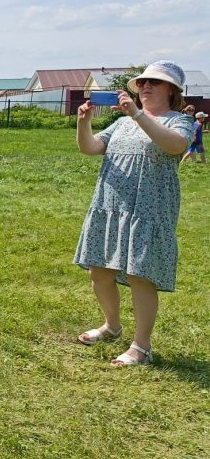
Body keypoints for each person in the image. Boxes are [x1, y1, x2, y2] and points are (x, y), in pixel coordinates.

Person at [74, 60, 197, 366]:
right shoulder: (121, 123)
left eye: (154, 82)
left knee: (139, 275)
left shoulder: (178, 121)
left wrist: (138, 114)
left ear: (172, 90)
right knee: (99, 271)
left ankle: (141, 347)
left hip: (149, 211)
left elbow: (175, 146)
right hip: (111, 206)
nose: (145, 86)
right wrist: (83, 122)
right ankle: (111, 326)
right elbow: (90, 148)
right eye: (142, 82)